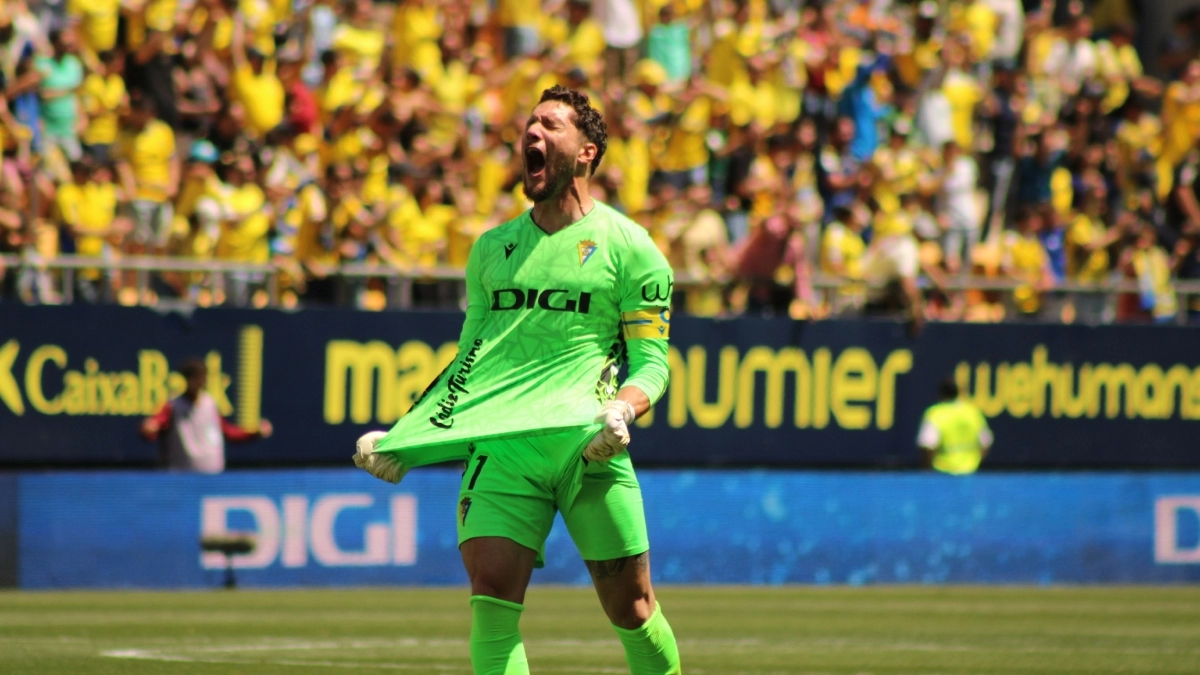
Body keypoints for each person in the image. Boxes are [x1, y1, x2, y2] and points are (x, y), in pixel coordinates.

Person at [352, 85, 681, 675]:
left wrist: (624, 411)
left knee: (632, 608)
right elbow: (470, 363)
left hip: (589, 444)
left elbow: (653, 363)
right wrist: (406, 438)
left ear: (586, 152)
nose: (532, 133)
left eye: (551, 125)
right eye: (529, 123)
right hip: (503, 450)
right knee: (492, 603)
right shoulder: (491, 250)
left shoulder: (634, 249)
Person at [140, 358, 273, 473]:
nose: (201, 381)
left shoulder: (210, 403)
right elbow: (153, 427)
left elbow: (228, 432)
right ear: (187, 379)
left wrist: (255, 432)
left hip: (212, 477)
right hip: (181, 478)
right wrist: (149, 428)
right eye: (196, 377)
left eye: (203, 376)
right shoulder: (173, 406)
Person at [917, 378, 993, 475]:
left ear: (941, 394)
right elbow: (986, 443)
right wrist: (974, 463)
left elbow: (927, 446)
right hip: (969, 473)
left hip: (942, 473)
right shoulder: (972, 412)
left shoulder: (935, 414)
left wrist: (927, 471)